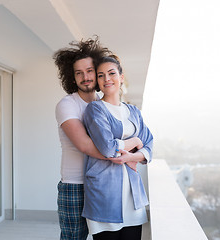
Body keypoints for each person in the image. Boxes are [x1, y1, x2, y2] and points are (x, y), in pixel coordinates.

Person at [54, 37, 140, 240]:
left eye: (90, 71)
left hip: (104, 184)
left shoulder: (106, 106)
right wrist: (128, 151)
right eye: (78, 73)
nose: (85, 77)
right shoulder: (67, 105)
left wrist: (132, 153)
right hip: (76, 185)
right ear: (72, 77)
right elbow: (85, 145)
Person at [82, 55, 154, 240]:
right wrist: (136, 141)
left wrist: (129, 157)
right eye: (101, 75)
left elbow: (149, 145)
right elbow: (107, 148)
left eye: (111, 73)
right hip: (105, 194)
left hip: (132, 195)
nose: (107, 79)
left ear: (121, 77)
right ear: (97, 81)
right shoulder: (95, 109)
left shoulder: (133, 112)